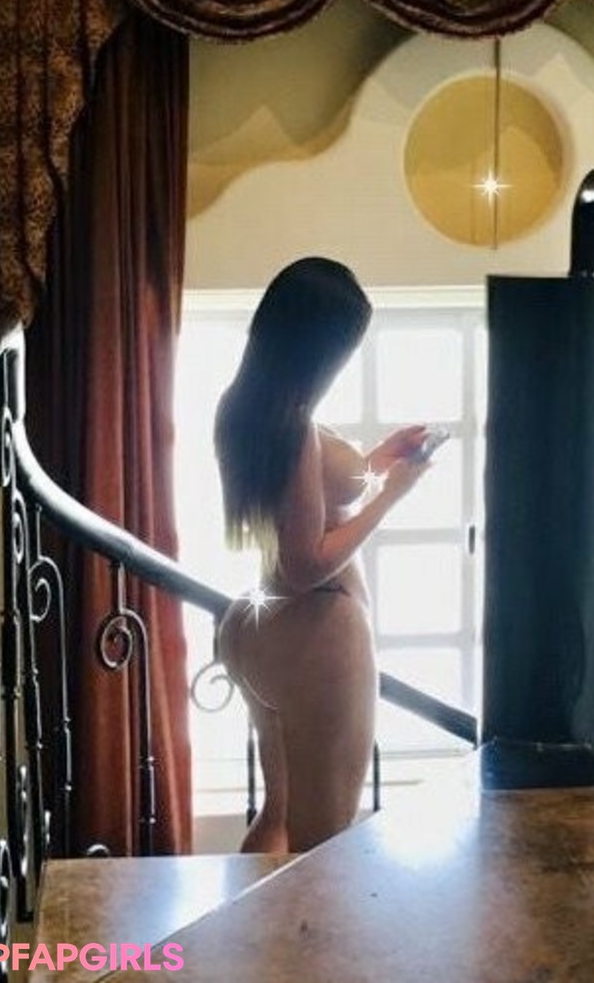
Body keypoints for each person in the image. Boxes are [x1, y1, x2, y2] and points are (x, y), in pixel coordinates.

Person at [214, 257, 433, 853]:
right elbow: (305, 563)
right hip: (318, 631)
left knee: (279, 816)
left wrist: (380, 460)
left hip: (256, 626)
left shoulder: (246, 408)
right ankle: (293, 924)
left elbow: (305, 501)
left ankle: (253, 919)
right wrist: (391, 496)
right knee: (324, 841)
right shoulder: (295, 426)